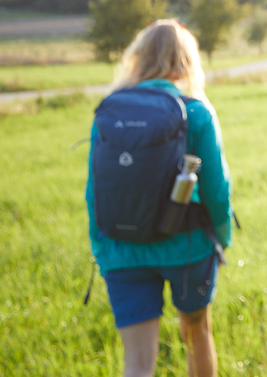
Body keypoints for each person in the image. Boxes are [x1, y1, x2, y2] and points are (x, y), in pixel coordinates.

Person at [86, 20, 234, 377]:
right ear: (186, 61)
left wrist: (101, 245)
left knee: (137, 363)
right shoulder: (196, 111)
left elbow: (94, 189)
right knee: (197, 335)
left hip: (121, 250)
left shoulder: (110, 110)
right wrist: (222, 238)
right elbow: (216, 188)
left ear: (137, 57)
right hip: (188, 247)